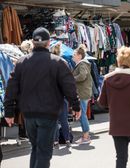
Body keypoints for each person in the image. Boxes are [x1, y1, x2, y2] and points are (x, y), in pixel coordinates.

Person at [4, 27, 81, 168]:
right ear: (48, 43)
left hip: (29, 114)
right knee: (44, 152)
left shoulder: (21, 62)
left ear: (33, 43)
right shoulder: (58, 62)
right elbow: (70, 87)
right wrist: (76, 106)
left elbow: (11, 88)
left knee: (36, 149)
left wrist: (8, 112)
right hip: (48, 113)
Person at [50, 42, 72, 148]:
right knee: (64, 120)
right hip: (62, 96)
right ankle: (67, 140)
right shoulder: (64, 62)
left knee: (54, 120)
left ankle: (55, 142)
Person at [72, 44, 92, 144]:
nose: (72, 56)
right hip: (84, 92)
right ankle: (85, 136)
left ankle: (86, 137)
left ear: (80, 56)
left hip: (83, 93)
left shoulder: (82, 64)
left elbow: (82, 76)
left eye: (74, 54)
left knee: (82, 114)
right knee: (81, 114)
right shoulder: (82, 64)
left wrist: (71, 79)